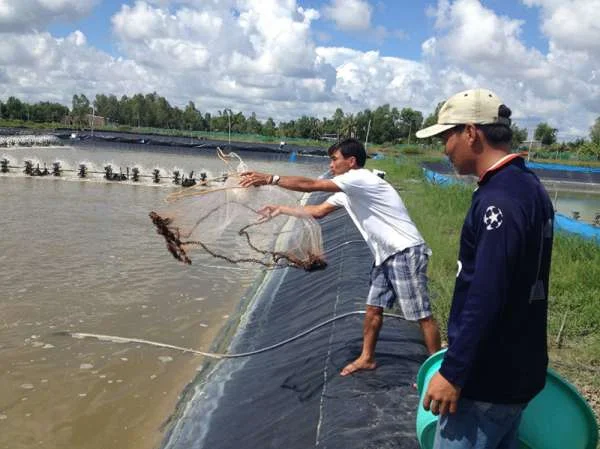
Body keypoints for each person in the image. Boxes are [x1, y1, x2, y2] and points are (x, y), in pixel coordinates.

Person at [415, 88, 554, 449]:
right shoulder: (528, 185)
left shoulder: (499, 200)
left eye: (447, 136)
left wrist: (454, 371)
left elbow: (488, 293)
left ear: (471, 132)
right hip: (516, 371)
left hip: (486, 380)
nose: (444, 148)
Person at [239, 138, 442, 376]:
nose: (331, 164)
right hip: (385, 255)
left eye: (334, 159)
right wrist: (281, 209)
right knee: (373, 309)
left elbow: (312, 184)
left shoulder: (360, 179)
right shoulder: (347, 189)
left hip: (404, 251)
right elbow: (318, 211)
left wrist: (270, 178)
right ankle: (367, 358)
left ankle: (438, 371)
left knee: (421, 315)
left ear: (351, 161)